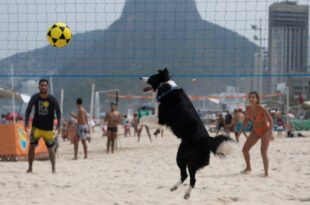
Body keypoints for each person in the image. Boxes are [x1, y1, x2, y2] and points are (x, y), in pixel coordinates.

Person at [24, 79, 61, 173]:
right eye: (42, 85)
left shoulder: (52, 99)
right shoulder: (35, 97)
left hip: (48, 129)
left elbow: (58, 111)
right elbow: (28, 110)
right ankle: (30, 168)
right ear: (39, 87)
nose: (43, 87)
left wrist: (59, 125)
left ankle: (53, 169)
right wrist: (26, 122)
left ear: (47, 87)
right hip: (36, 127)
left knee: (50, 148)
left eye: (45, 85)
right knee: (31, 147)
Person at [241, 91, 273, 177]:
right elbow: (246, 119)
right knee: (245, 149)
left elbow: (271, 120)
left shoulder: (261, 108)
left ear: (257, 99)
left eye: (253, 97)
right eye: (250, 97)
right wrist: (242, 127)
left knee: (263, 151)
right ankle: (248, 168)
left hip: (265, 130)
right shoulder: (248, 109)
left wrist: (269, 132)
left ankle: (266, 173)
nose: (251, 99)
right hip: (256, 131)